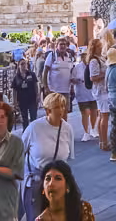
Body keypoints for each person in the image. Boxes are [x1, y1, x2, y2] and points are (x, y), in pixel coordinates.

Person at [21, 93, 74, 221]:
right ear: (48, 111)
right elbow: (19, 152)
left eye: (63, 106)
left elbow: (68, 158)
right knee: (36, 216)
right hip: (37, 181)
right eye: (57, 107)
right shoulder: (34, 128)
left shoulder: (67, 129)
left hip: (57, 182)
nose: (61, 110)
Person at [12, 60, 41, 130]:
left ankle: (34, 131)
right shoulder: (16, 77)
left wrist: (38, 95)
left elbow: (35, 85)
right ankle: (26, 132)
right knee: (24, 119)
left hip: (32, 99)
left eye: (25, 64)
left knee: (33, 117)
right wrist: (14, 101)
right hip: (22, 100)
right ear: (18, 66)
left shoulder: (31, 74)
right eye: (22, 64)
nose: (24, 65)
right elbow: (14, 90)